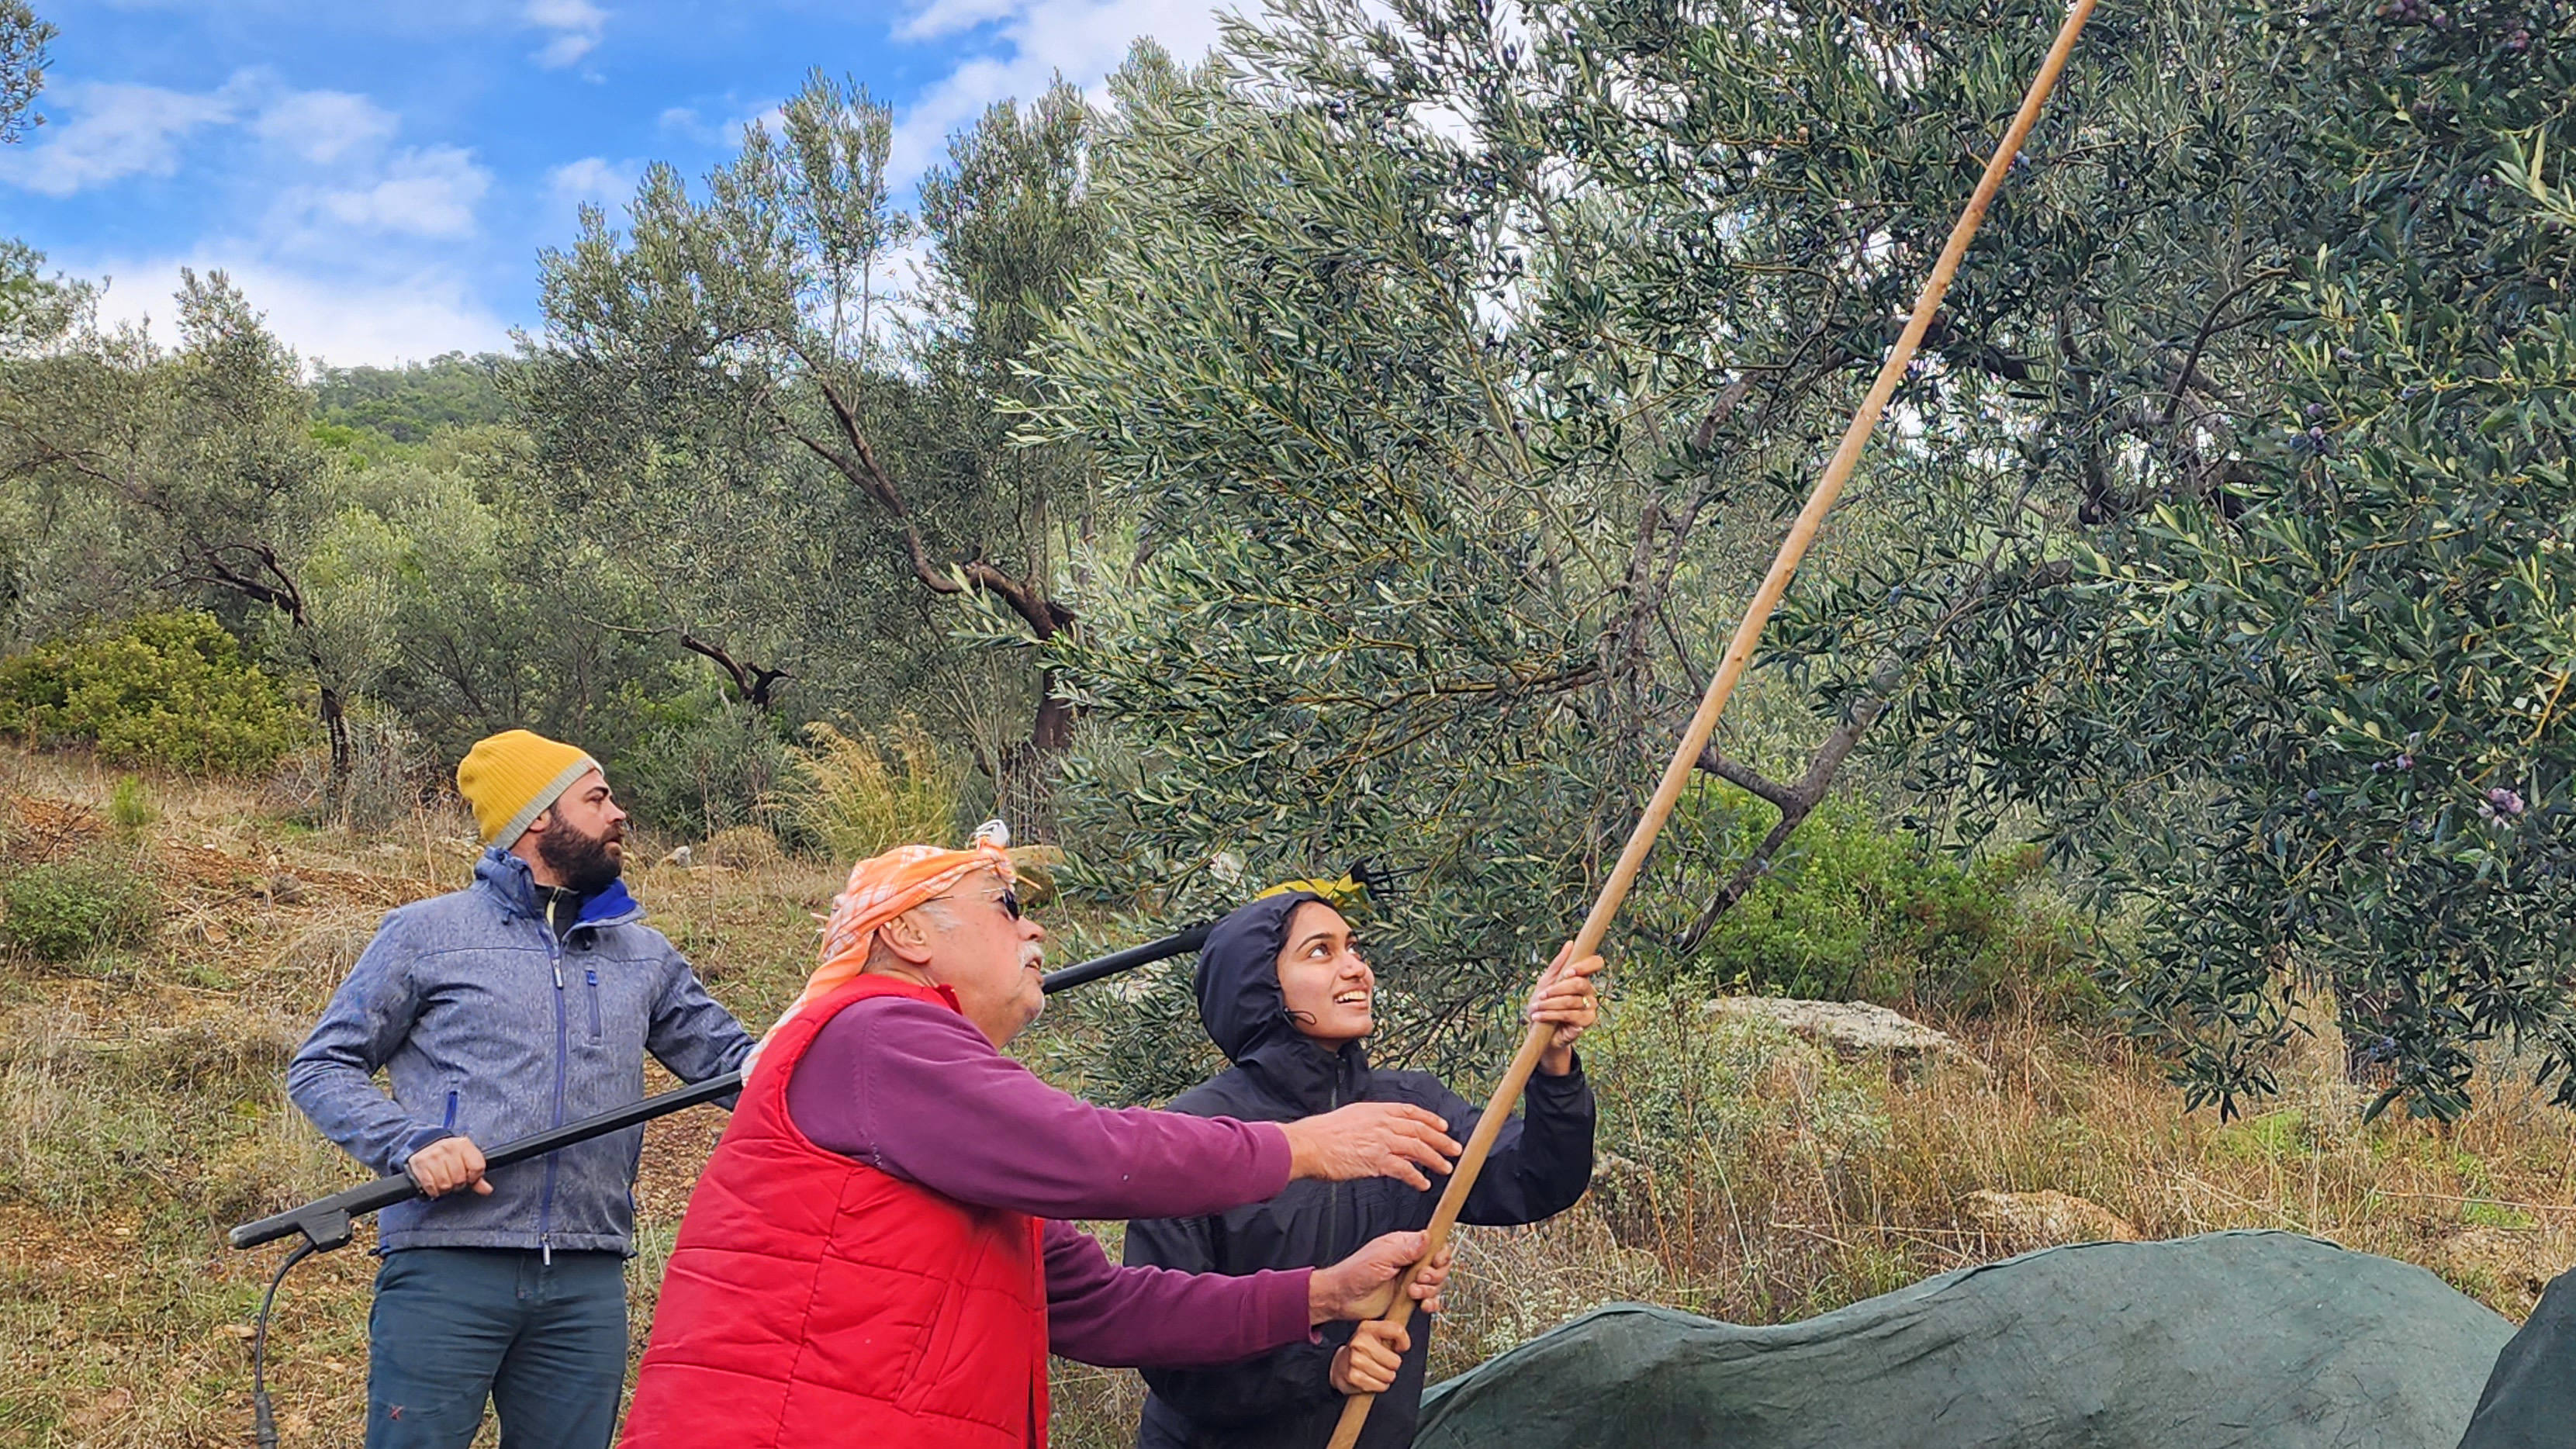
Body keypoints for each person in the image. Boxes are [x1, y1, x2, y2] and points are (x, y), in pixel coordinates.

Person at [617, 832, 1472, 1449]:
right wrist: (1301, 1146)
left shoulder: (944, 1118)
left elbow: (1104, 1305)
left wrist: (1322, 1292)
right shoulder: (875, 1033)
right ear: (908, 934)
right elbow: (1091, 1152)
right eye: (1007, 907)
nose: (1035, 932)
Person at [287, 729, 753, 1449]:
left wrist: (846, 1006)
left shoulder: (643, 953)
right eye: (597, 799)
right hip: (447, 1267)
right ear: (538, 818)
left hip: (586, 1273)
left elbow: (740, 1067)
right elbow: (321, 1065)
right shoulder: (425, 935)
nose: (619, 814)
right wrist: (410, 1145)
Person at [1124, 890, 1602, 1449]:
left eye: (1353, 947)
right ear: (1259, 987)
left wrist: (1553, 1064)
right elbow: (1167, 1348)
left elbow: (1535, 1181)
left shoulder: (1410, 1109)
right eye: (1320, 952)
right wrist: (1325, 1369)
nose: (1356, 967)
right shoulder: (1197, 1134)